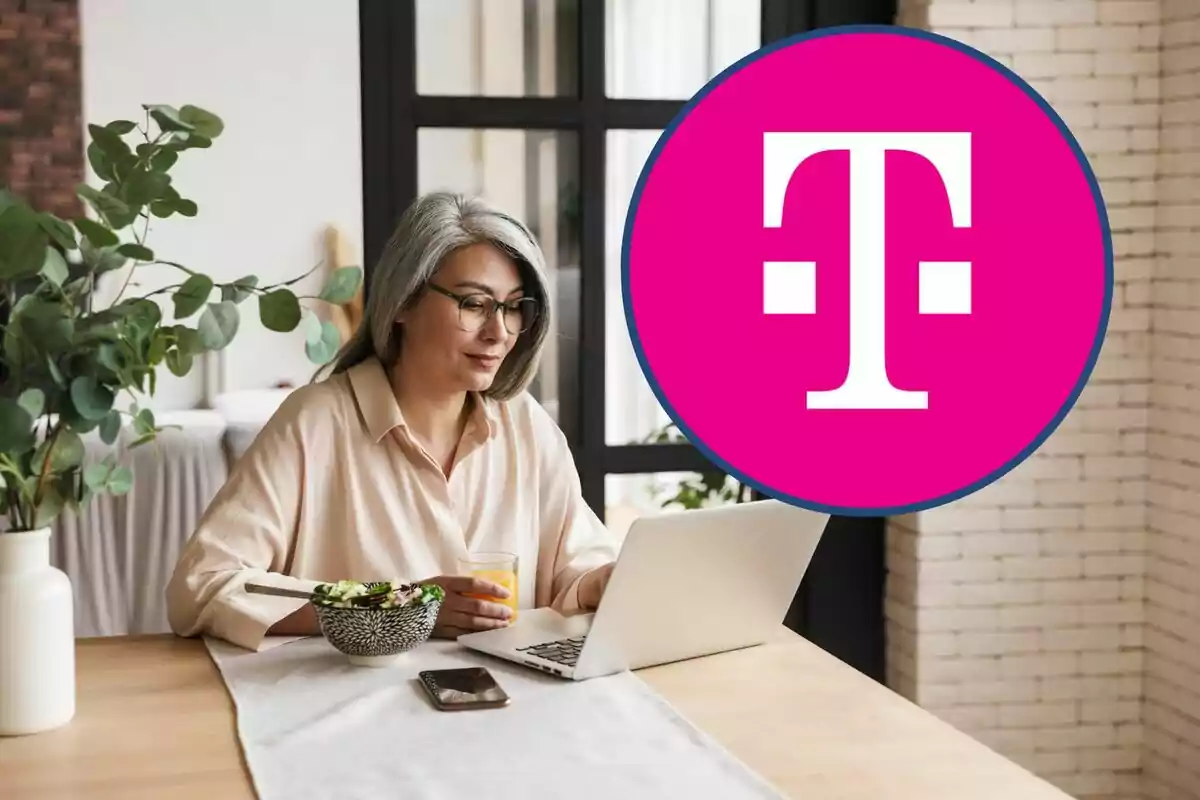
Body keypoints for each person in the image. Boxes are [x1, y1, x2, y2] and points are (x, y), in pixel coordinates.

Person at [165, 192, 620, 652]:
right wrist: (395, 610)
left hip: (508, 703)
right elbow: (203, 585)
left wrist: (598, 583)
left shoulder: (526, 425)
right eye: (473, 303)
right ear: (404, 301)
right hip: (345, 709)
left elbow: (576, 568)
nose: (498, 332)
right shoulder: (315, 422)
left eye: (513, 306)